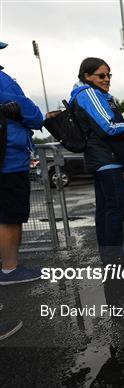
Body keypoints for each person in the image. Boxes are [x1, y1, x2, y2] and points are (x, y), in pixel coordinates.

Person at [68, 57, 124, 266]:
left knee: (106, 209)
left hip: (104, 159)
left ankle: (110, 256)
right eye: (101, 75)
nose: (107, 79)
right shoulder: (89, 93)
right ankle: (114, 257)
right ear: (86, 76)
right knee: (114, 209)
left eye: (108, 75)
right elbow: (109, 127)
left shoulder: (90, 94)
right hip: (107, 160)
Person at [0, 40, 43, 285]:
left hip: (7, 157)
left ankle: (8, 264)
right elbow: (33, 114)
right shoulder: (2, 80)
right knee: (10, 216)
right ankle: (9, 268)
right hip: (9, 159)